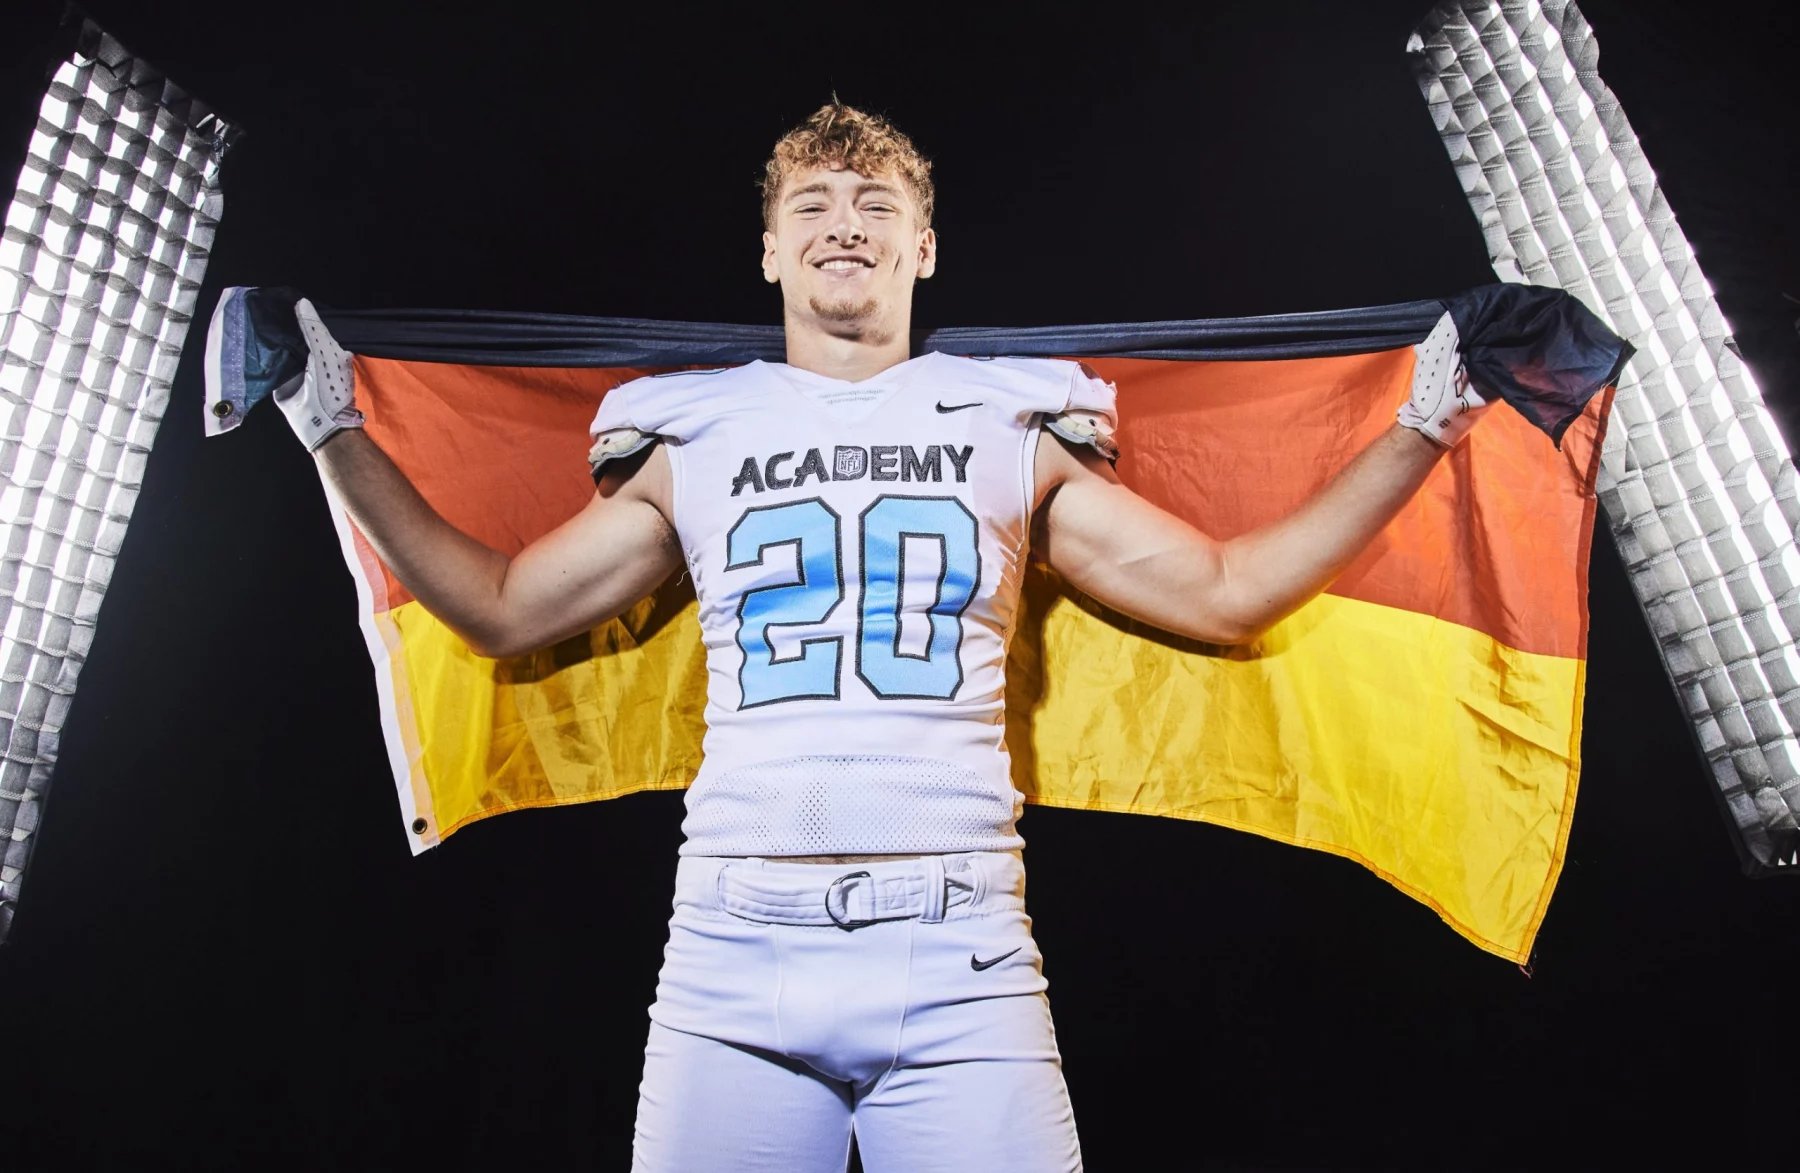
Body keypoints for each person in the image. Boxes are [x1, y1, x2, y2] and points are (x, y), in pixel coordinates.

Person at [279, 102, 1489, 1172]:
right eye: (810, 204)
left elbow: (1227, 590)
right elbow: (501, 606)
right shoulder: (694, 430)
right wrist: (333, 431)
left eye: (876, 204)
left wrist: (1425, 426)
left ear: (925, 246)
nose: (842, 225)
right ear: (769, 249)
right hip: (732, 948)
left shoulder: (1012, 420)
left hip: (960, 950)